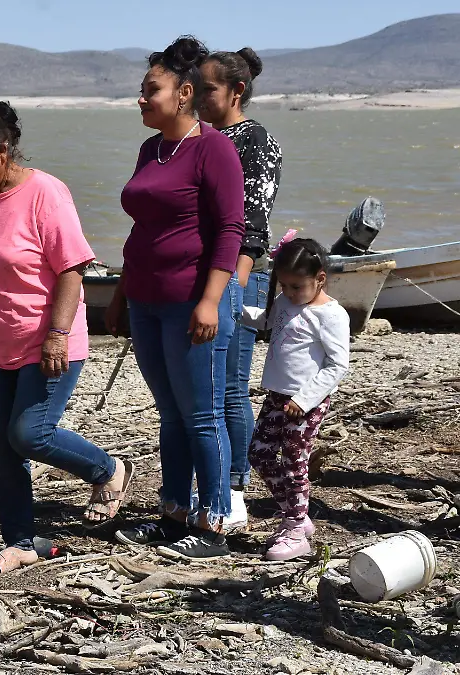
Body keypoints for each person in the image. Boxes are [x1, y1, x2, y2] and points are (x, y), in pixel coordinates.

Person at [0, 102, 134, 575]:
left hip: (47, 343)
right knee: (2, 446)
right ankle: (20, 541)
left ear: (1, 151)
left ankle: (109, 470)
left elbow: (71, 269)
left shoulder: (46, 192)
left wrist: (57, 335)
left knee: (30, 434)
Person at [108, 37, 246, 560]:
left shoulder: (215, 147)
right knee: (170, 413)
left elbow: (231, 230)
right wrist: (121, 295)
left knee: (203, 415)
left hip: (193, 304)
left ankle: (213, 526)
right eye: (141, 91)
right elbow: (143, 229)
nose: (141, 100)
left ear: (184, 92)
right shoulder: (152, 149)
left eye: (151, 91)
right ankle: (174, 514)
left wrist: (211, 301)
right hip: (145, 301)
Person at [198, 48, 284, 531]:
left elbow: (254, 221)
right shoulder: (202, 140)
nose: (200, 98)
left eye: (208, 89)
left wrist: (236, 279)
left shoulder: (255, 141)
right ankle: (220, 478)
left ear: (237, 92)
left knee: (230, 385)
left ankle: (234, 484)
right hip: (209, 272)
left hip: (239, 274)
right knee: (209, 387)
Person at [241, 239, 348, 560]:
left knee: (293, 461)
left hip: (307, 402)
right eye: (284, 285)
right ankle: (297, 516)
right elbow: (264, 322)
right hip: (277, 395)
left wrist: (306, 398)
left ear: (320, 278)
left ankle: (295, 529)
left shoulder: (331, 315)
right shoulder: (285, 302)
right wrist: (232, 307)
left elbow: (338, 364)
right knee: (259, 455)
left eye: (297, 286)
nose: (288, 292)